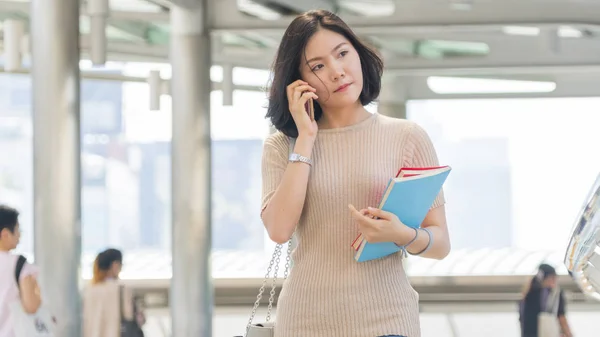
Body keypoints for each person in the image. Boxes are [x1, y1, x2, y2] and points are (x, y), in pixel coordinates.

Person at [261, 9, 450, 337]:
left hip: (387, 321)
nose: (337, 72)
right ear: (299, 82)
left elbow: (441, 243)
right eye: (318, 66)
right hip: (304, 323)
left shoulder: (407, 137)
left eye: (342, 54)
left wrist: (401, 235)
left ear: (358, 54)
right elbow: (279, 229)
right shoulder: (283, 146)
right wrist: (305, 138)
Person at [83, 248, 145, 337]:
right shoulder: (122, 289)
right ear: (115, 265)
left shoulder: (89, 290)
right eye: (121, 265)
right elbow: (132, 316)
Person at [0, 205, 42, 337]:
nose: (19, 235)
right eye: (18, 230)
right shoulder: (18, 263)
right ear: (5, 234)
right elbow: (31, 306)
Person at [519, 264, 573, 337]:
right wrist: (569, 334)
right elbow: (561, 316)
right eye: (552, 278)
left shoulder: (528, 293)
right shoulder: (555, 293)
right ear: (545, 278)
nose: (554, 280)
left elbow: (522, 319)